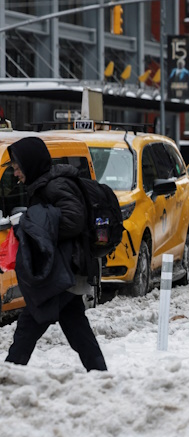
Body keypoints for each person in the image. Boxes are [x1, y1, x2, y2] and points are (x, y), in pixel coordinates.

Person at [4, 137, 107, 371]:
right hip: (65, 268)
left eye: (18, 168)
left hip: (64, 269)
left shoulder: (54, 185)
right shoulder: (45, 184)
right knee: (75, 325)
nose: (16, 173)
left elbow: (73, 220)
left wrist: (35, 226)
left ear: (30, 164)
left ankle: (9, 373)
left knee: (29, 323)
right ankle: (100, 373)